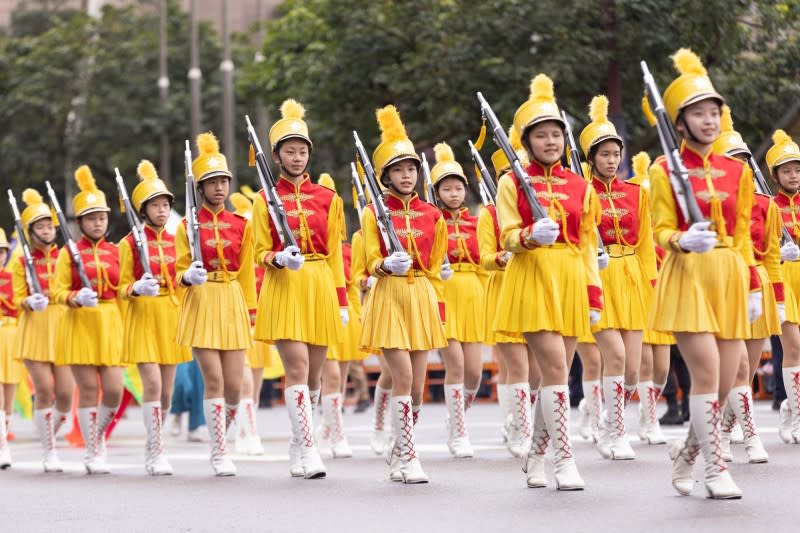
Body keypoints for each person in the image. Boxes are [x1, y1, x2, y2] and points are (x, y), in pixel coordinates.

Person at [647, 49, 760, 499]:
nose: (709, 121)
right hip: (689, 273)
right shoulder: (664, 170)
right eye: (699, 113)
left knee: (733, 377)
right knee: (707, 375)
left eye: (714, 112)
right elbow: (658, 229)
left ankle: (686, 454)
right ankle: (715, 469)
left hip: (730, 274)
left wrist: (753, 283)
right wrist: (682, 239)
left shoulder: (738, 170)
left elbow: (748, 234)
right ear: (681, 121)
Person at [495, 74, 602, 490]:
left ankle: (536, 457)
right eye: (541, 135)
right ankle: (565, 460)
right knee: (556, 366)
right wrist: (526, 236)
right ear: (527, 141)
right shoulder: (511, 182)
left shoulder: (580, 184)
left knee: (553, 373)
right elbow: (505, 234)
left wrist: (593, 293)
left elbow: (589, 243)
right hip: (531, 276)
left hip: (571, 278)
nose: (551, 141)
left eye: (556, 133)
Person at [252, 100, 347, 479]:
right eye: (289, 151)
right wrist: (278, 258)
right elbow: (258, 251)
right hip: (285, 283)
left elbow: (337, 254)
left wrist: (341, 300)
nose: (296, 157)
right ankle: (308, 449)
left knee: (314, 377)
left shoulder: (329, 198)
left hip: (320, 282)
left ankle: (298, 439)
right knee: (297, 366)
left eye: (302, 151)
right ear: (276, 157)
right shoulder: (264, 200)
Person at [359, 105, 448, 483]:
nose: (406, 175)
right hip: (390, 294)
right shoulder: (373, 213)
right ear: (386, 176)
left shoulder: (432, 213)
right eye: (398, 170)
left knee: (417, 386)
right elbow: (367, 261)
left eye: (411, 169)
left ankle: (399, 447)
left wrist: (436, 276)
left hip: (421, 295)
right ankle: (410, 456)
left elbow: (436, 261)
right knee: (402, 376)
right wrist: (384, 265)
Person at [580, 95, 658, 460]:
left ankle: (610, 416)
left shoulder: (634, 193)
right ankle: (615, 433)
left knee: (632, 367)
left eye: (616, 154)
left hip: (631, 278)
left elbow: (644, 244)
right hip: (597, 277)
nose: (611, 161)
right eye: (604, 155)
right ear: (591, 158)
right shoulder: (581, 193)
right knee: (613, 355)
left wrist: (651, 282)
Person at [175, 132, 257, 476]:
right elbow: (178, 267)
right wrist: (187, 276)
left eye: (223, 180)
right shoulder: (186, 225)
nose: (220, 187)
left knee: (236, 386)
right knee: (214, 380)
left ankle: (224, 436)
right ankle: (219, 450)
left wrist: (251, 311)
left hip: (232, 298)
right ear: (201, 188)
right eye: (212, 182)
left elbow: (248, 270)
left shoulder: (241, 224)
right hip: (203, 298)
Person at [118, 160, 193, 475]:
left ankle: (155, 442)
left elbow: (179, 276)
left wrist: (189, 277)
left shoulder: (178, 238)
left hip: (170, 315)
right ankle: (156, 450)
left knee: (166, 390)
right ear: (143, 210)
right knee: (151, 383)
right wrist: (136, 286)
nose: (162, 211)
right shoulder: (128, 243)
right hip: (143, 314)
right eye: (155, 205)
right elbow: (120, 286)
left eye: (165, 204)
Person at [712, 107, 776, 463]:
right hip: (724, 284)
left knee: (747, 368)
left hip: (758, 286)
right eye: (733, 159)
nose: (742, 167)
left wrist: (777, 298)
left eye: (744, 160)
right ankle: (750, 437)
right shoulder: (715, 203)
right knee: (733, 368)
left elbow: (770, 258)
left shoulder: (767, 205)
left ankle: (721, 428)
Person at [53, 165, 124, 474]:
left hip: (110, 323)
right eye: (92, 218)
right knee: (89, 390)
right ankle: (94, 451)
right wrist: (74, 297)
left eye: (102, 217)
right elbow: (57, 290)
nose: (98, 223)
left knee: (114, 391)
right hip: (80, 323)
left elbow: (123, 286)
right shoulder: (69, 254)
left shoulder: (117, 251)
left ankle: (97, 438)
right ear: (80, 222)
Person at [478, 135, 538, 458]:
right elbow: (486, 257)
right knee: (515, 366)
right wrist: (506, 257)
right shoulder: (489, 214)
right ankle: (518, 425)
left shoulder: (537, 207)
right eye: (504, 173)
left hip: (534, 285)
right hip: (503, 288)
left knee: (539, 369)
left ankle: (527, 421)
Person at [11, 189, 73, 471]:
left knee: (66, 393)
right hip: (35, 326)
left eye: (49, 225)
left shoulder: (65, 256)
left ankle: (47, 433)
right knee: (45, 389)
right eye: (40, 226)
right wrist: (27, 301)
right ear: (31, 231)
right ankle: (49, 450)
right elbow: (14, 297)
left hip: (61, 325)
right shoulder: (22, 261)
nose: (47, 231)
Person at [430, 142, 483, 458]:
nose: (454, 193)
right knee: (456, 365)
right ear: (437, 193)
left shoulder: (477, 223)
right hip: (444, 293)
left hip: (472, 294)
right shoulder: (431, 222)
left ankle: (456, 414)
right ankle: (459, 432)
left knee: (474, 372)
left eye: (458, 187)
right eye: (447, 188)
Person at [627, 152, 672, 444]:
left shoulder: (668, 224)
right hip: (639, 292)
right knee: (643, 361)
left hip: (664, 294)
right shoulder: (639, 228)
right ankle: (650, 417)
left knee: (663, 367)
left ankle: (648, 409)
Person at [765, 129, 800, 444]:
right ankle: (798, 413)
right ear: (775, 176)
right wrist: (778, 246)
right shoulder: (769, 207)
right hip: (784, 278)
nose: (794, 175)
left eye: (798, 170)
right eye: (787, 171)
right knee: (794, 347)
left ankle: (791, 404)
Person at [0, 229, 21, 469]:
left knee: (10, 393)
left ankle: (4, 439)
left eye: (2, 251)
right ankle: (2, 446)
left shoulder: (14, 276)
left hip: (11, 336)